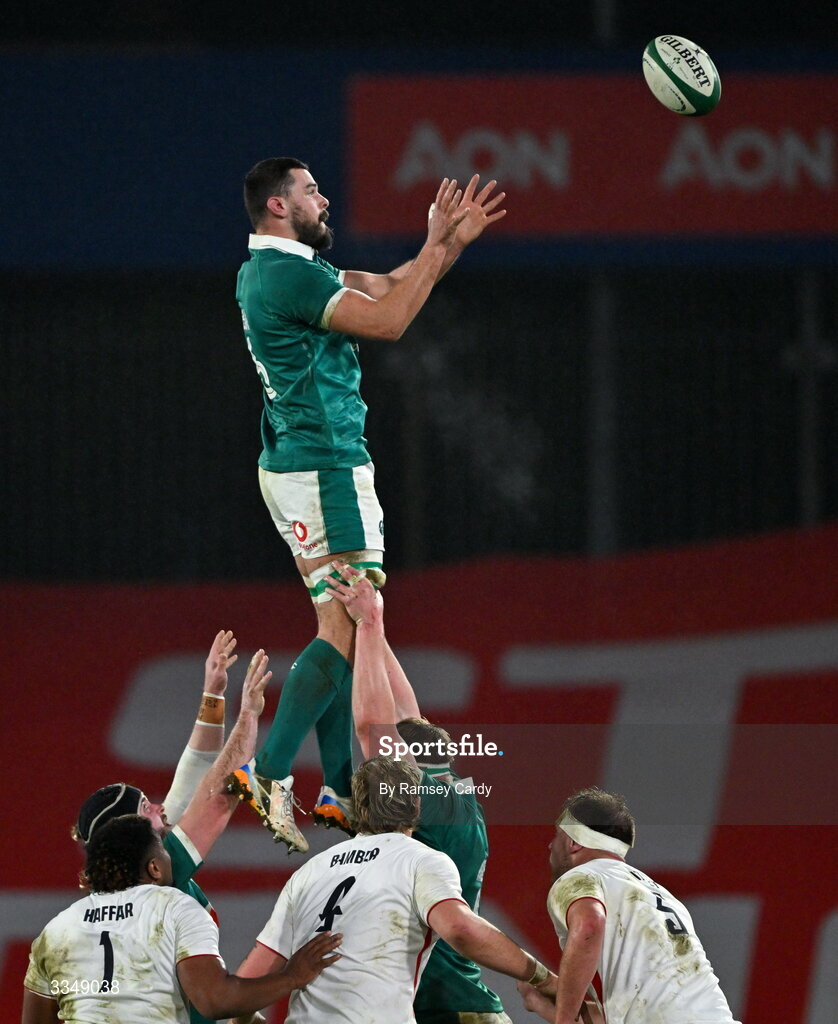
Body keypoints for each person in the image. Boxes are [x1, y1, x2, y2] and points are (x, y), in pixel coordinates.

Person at [230, 157, 506, 853]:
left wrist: (444, 244)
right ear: (276, 206)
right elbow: (389, 324)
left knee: (345, 624)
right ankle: (263, 773)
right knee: (353, 621)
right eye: (311, 190)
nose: (325, 198)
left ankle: (337, 788)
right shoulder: (288, 273)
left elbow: (387, 285)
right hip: (324, 465)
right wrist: (438, 248)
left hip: (295, 462)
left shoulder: (274, 269)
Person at [232, 755, 554, 1024]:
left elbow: (243, 990)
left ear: (358, 809)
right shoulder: (420, 861)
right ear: (417, 804)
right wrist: (541, 975)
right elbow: (459, 928)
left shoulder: (307, 873)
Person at [327, 560, 511, 1024]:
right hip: (463, 1005)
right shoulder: (452, 795)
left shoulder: (422, 798)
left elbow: (373, 727)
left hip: (443, 1008)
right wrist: (376, 624)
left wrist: (367, 625)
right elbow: (407, 716)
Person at [73, 640, 273, 1024]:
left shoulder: (124, 880)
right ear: (128, 834)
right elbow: (217, 796)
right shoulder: (157, 877)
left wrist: (213, 693)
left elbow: (195, 770)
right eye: (146, 807)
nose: (159, 806)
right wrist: (249, 716)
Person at [23, 814, 341, 1024]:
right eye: (163, 851)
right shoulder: (175, 906)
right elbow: (214, 1000)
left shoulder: (56, 929)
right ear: (154, 868)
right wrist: (293, 976)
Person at [516, 788, 741, 1024]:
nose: (550, 846)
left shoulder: (581, 877)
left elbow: (589, 924)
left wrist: (563, 1018)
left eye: (557, 836)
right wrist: (540, 1004)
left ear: (572, 842)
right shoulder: (660, 895)